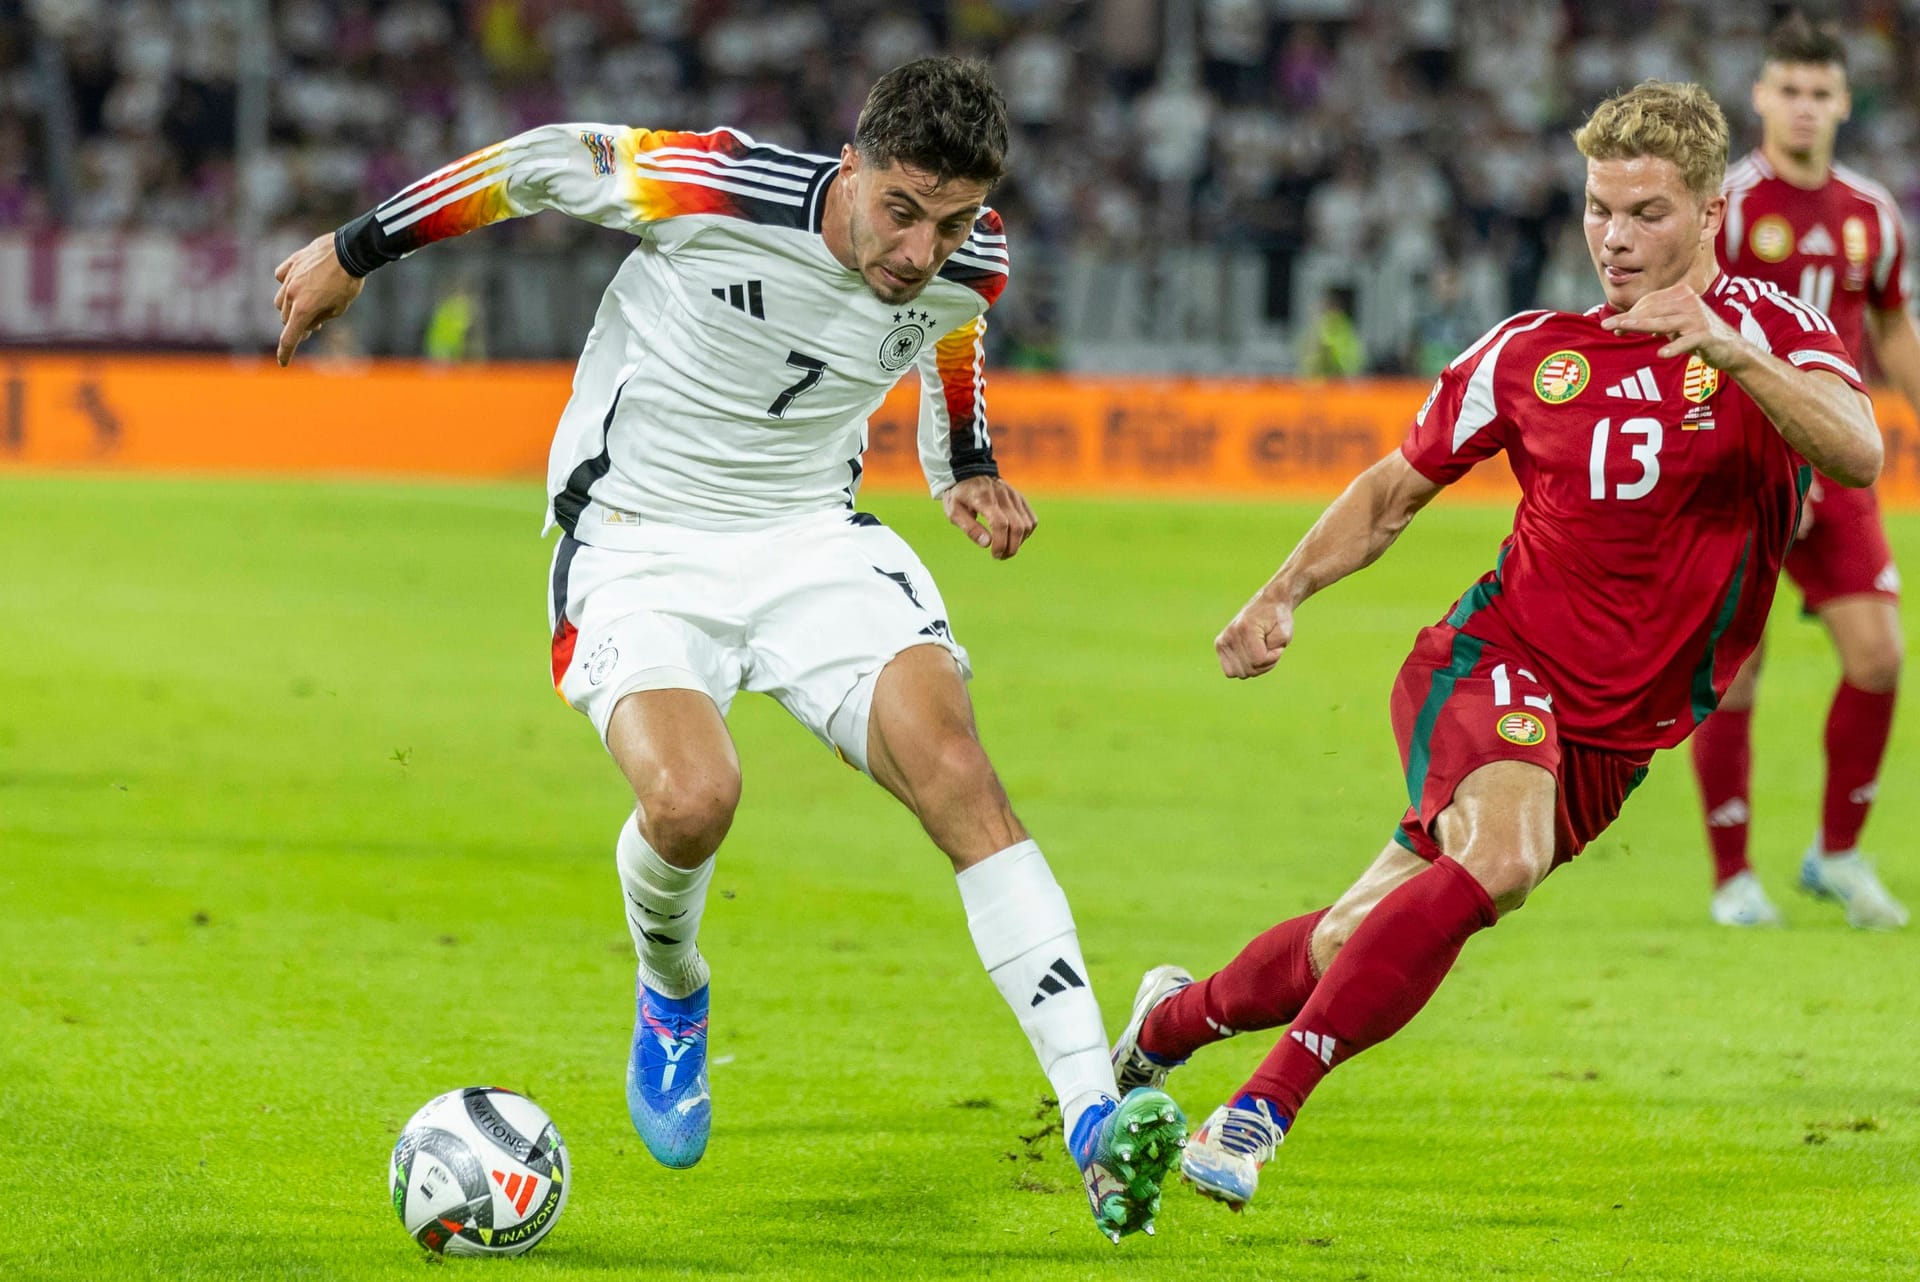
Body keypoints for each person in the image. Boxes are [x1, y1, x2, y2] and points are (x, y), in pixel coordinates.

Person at [269, 58, 1184, 1242]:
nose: (919, 248)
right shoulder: (716, 185)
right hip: (639, 541)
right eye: (900, 210)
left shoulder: (971, 258)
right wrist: (354, 250)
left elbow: (949, 332)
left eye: (950, 220)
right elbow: (538, 161)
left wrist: (966, 467)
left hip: (808, 537)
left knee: (960, 774)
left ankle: (1094, 1120)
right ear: (851, 168)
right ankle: (673, 984)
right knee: (695, 799)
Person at [1107, 80, 1880, 1210]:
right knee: (1504, 857)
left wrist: (1731, 351)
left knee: (1352, 939)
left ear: (1712, 210)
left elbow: (1858, 453)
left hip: (1619, 734)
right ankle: (1255, 1114)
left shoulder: (1774, 333)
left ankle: (1168, 1021)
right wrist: (1283, 593)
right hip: (1491, 661)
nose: (1614, 238)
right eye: (1597, 209)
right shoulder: (1531, 351)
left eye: (1647, 213)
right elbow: (1392, 491)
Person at [1691, 13, 1911, 930]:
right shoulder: (1729, 205)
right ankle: (1733, 878)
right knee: (1734, 677)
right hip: (1742, 475)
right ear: (1760, 97)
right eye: (1789, 90)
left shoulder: (1871, 214)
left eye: (1821, 93)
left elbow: (1892, 327)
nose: (1805, 107)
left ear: (1844, 103)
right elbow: (1689, 323)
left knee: (1879, 657)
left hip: (1842, 472)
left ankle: (1838, 853)